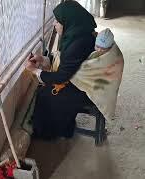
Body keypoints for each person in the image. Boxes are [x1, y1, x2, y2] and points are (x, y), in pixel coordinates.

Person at [25, 1, 123, 140]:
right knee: (46, 92)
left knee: (46, 95)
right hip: (85, 78)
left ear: (68, 22)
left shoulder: (78, 43)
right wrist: (42, 59)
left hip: (89, 89)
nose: (54, 24)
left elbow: (62, 76)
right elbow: (67, 62)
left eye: (58, 21)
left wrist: (34, 70)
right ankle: (57, 125)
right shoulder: (78, 33)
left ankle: (54, 132)